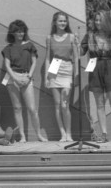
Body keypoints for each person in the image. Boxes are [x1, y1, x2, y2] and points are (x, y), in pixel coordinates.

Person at [81, 10, 111, 143]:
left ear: (105, 21)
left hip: (109, 67)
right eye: (96, 20)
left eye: (100, 20)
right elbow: (81, 52)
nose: (97, 23)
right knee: (99, 104)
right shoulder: (90, 35)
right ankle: (104, 134)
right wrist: (74, 44)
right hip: (95, 68)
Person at [2, 19, 47, 142]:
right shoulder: (8, 48)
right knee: (17, 108)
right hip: (12, 78)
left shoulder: (29, 45)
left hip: (27, 77)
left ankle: (39, 135)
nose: (20, 34)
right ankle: (22, 136)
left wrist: (29, 76)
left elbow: (34, 62)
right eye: (17, 32)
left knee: (32, 109)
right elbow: (7, 65)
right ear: (12, 33)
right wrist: (15, 77)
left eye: (22, 31)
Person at [45, 12, 79, 142]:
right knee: (57, 104)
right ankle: (62, 133)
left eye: (65, 21)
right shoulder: (49, 38)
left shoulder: (71, 37)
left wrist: (76, 74)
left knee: (65, 105)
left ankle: (69, 134)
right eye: (60, 21)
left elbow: (76, 57)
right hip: (54, 68)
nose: (63, 23)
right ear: (55, 22)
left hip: (67, 69)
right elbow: (47, 58)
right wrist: (47, 77)